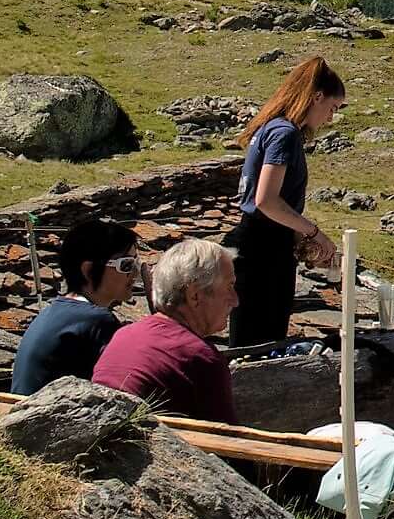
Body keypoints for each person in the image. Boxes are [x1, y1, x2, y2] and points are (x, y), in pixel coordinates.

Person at [228, 55, 350, 348]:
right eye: (332, 108)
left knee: (250, 335)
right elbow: (267, 200)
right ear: (316, 97)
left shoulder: (270, 128)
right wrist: (313, 232)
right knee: (262, 339)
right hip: (265, 250)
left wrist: (300, 238)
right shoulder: (285, 134)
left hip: (259, 241)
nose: (330, 117)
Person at [91, 238, 241, 424]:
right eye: (229, 286)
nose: (235, 300)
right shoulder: (199, 358)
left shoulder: (125, 335)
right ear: (194, 295)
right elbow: (230, 443)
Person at [12, 216, 140, 395]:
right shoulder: (96, 320)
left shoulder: (56, 311)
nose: (135, 273)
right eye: (126, 264)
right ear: (88, 270)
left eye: (136, 263)